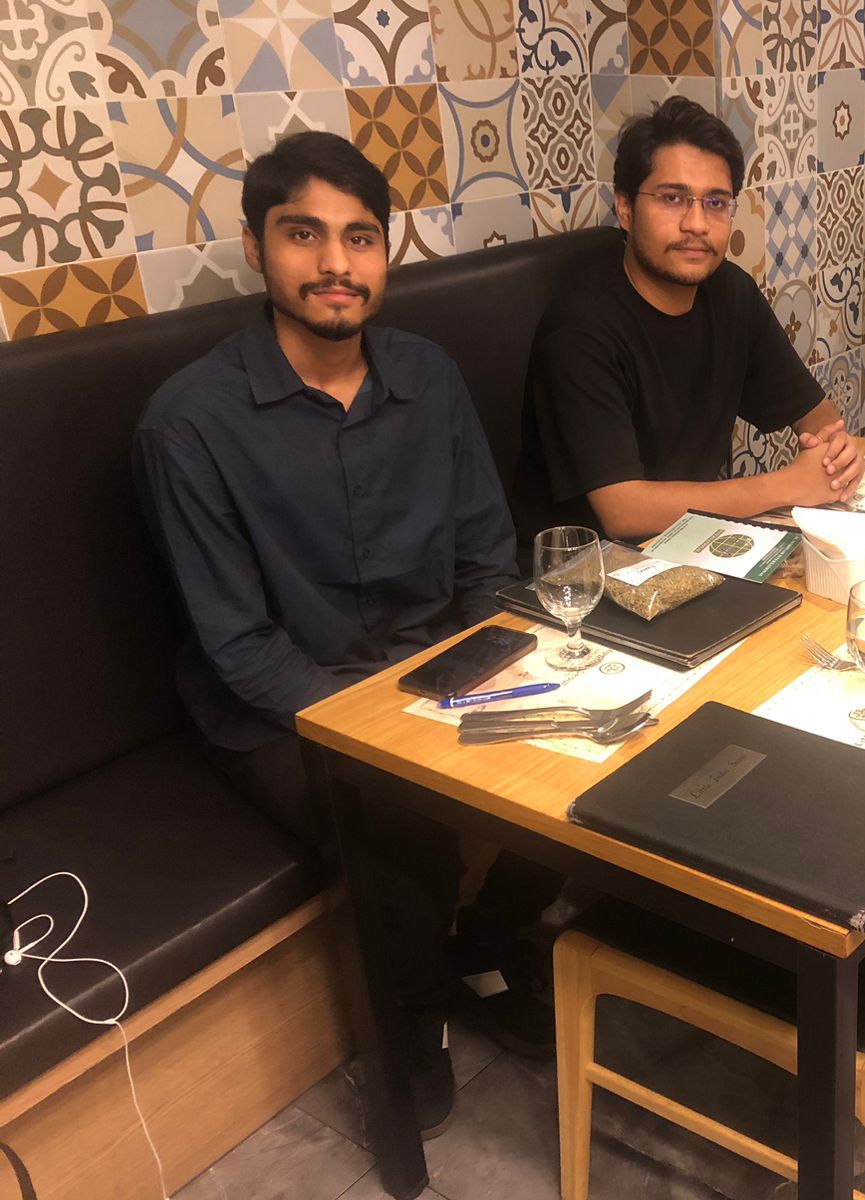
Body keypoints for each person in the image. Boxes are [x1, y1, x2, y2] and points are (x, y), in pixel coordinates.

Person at [135, 132, 562, 1138]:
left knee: (601, 741)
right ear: (257, 247)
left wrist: (496, 667)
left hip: (431, 667)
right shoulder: (188, 424)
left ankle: (488, 939)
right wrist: (395, 735)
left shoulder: (427, 376)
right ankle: (412, 1019)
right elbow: (241, 649)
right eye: (304, 235)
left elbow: (486, 564)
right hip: (278, 706)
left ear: (385, 251)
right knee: (393, 824)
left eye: (360, 237)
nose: (336, 262)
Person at [513, 97, 865, 544]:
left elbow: (822, 422)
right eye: (672, 199)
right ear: (625, 209)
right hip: (586, 569)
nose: (697, 223)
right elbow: (623, 510)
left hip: (691, 545)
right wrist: (789, 484)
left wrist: (837, 458)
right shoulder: (579, 329)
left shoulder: (730, 292)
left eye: (716, 202)